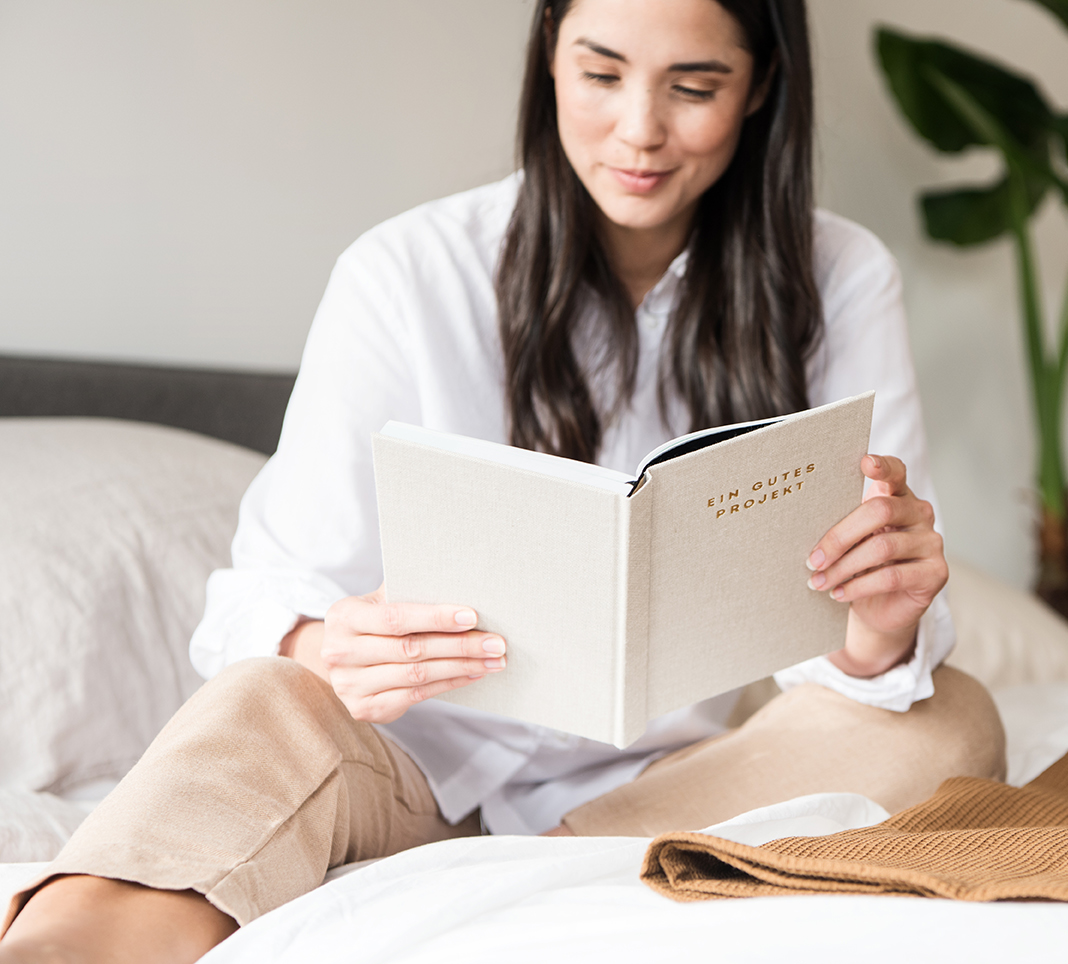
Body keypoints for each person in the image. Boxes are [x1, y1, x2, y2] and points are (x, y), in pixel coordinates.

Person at [0, 0, 1005, 960]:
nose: (640, 130)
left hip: (673, 781)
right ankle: (68, 939)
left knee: (948, 721)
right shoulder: (407, 274)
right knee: (266, 697)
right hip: (406, 772)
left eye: (694, 87)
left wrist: (879, 629)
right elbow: (261, 601)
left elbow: (854, 670)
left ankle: (539, 866)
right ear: (549, 54)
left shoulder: (839, 276)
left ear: (762, 85)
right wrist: (324, 644)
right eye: (601, 75)